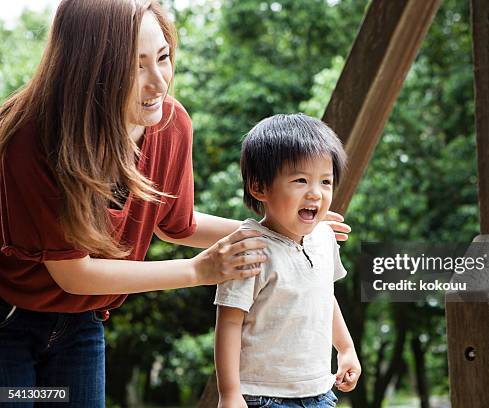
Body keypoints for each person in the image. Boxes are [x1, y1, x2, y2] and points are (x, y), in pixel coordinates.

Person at [0, 1, 349, 406]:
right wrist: (198, 270)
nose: (159, 82)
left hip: (82, 319)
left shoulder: (169, 124)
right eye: (135, 66)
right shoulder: (30, 136)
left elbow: (175, 224)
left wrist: (284, 230)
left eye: (163, 58)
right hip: (9, 321)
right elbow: (73, 272)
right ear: (89, 70)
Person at [214, 114, 361, 408]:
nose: (315, 193)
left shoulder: (324, 237)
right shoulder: (249, 246)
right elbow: (229, 321)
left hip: (320, 392)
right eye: (300, 180)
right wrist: (229, 393)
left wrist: (345, 347)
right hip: (264, 397)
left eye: (326, 181)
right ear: (259, 187)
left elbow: (324, 296)